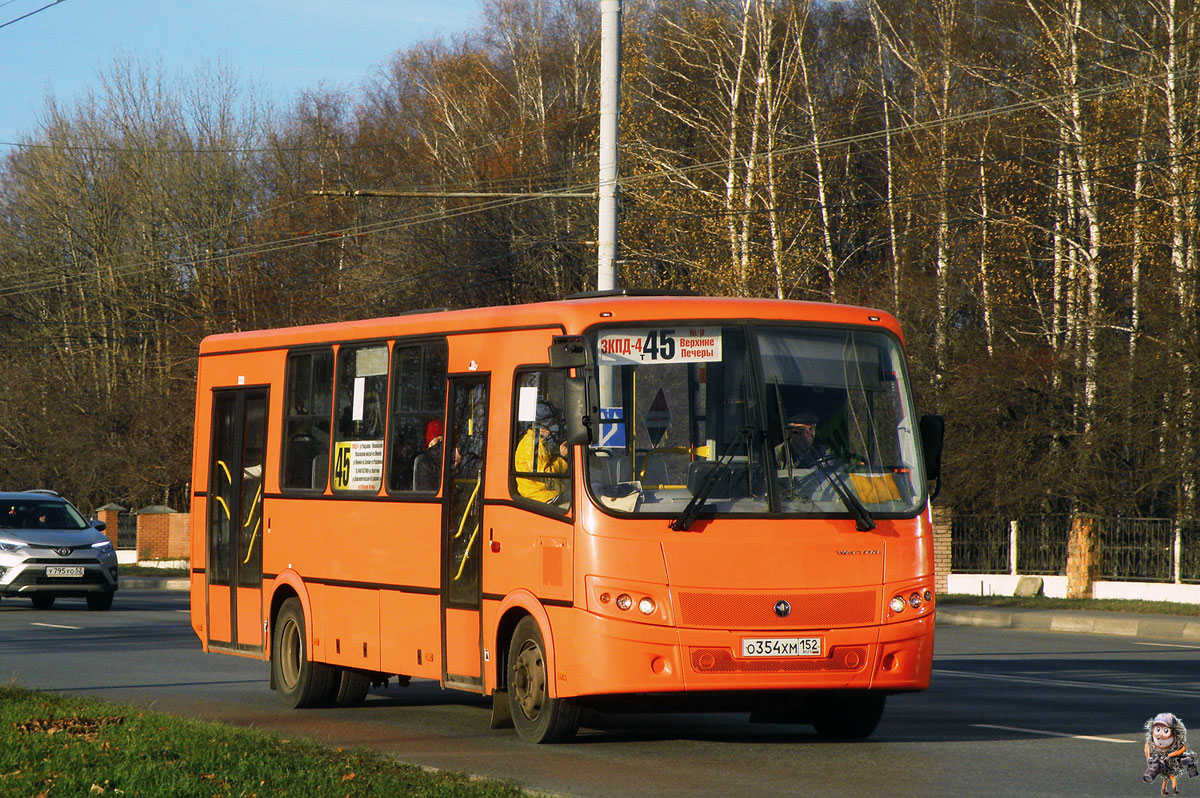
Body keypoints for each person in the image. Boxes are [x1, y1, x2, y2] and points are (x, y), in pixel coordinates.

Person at [514, 400, 569, 504]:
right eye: (553, 424)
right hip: (540, 498)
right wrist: (562, 459)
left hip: (548, 494)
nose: (555, 428)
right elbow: (544, 475)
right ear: (542, 426)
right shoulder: (533, 443)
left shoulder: (542, 442)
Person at [413, 418, 446, 491]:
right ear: (430, 443)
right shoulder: (424, 463)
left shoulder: (448, 460)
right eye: (438, 440)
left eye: (442, 441)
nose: (441, 444)